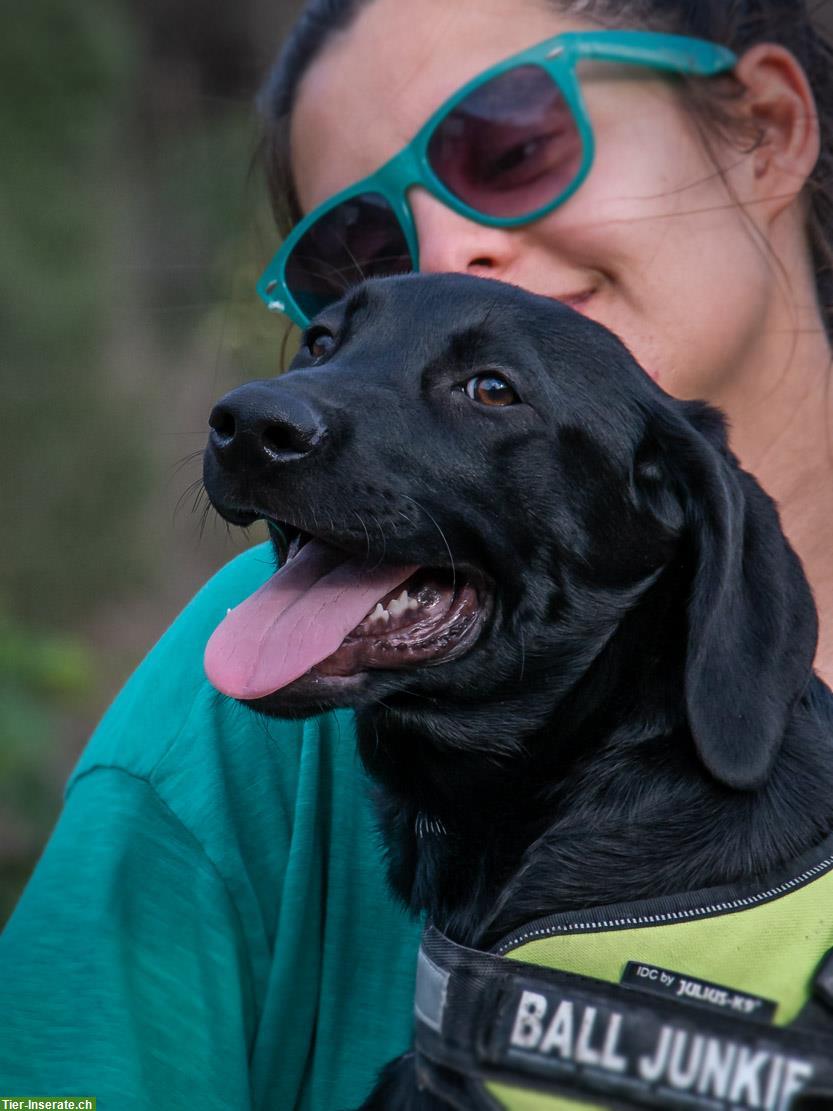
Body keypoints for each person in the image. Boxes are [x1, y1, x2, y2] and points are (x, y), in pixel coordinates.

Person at [1, 1, 831, 1108]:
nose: (450, 253)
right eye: (361, 254)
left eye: (509, 147)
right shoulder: (253, 663)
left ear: (765, 125)